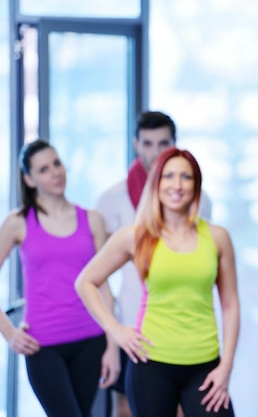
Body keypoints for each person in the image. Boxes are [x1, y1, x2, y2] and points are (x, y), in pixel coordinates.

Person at [76, 147, 239, 417]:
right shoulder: (135, 236)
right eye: (168, 176)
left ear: (196, 185)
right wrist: (116, 330)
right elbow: (85, 282)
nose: (177, 185)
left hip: (205, 365)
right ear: (156, 183)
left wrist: (226, 366)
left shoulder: (217, 237)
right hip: (150, 365)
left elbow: (230, 304)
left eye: (186, 177)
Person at [96, 110, 212, 417]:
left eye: (163, 143)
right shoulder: (112, 199)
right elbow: (98, 275)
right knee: (124, 410)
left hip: (183, 331)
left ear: (174, 144)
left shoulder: (199, 201)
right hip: (131, 324)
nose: (155, 152)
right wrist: (113, 333)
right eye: (147, 143)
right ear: (136, 144)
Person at [0, 139, 119, 417]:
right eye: (43, 169)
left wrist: (112, 346)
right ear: (29, 180)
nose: (55, 172)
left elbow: (103, 286)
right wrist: (9, 334)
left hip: (91, 341)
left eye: (57, 163)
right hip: (43, 346)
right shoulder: (17, 222)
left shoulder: (93, 220)